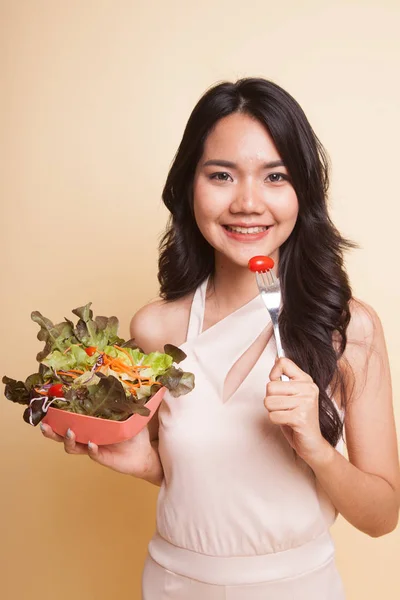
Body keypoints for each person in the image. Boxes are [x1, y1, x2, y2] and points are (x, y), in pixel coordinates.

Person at [40, 78, 399, 599]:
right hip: (173, 585)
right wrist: (148, 465)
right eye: (222, 175)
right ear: (190, 185)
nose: (248, 202)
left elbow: (382, 516)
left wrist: (316, 449)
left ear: (303, 192)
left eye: (275, 176)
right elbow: (208, 478)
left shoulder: (349, 330)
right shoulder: (155, 329)